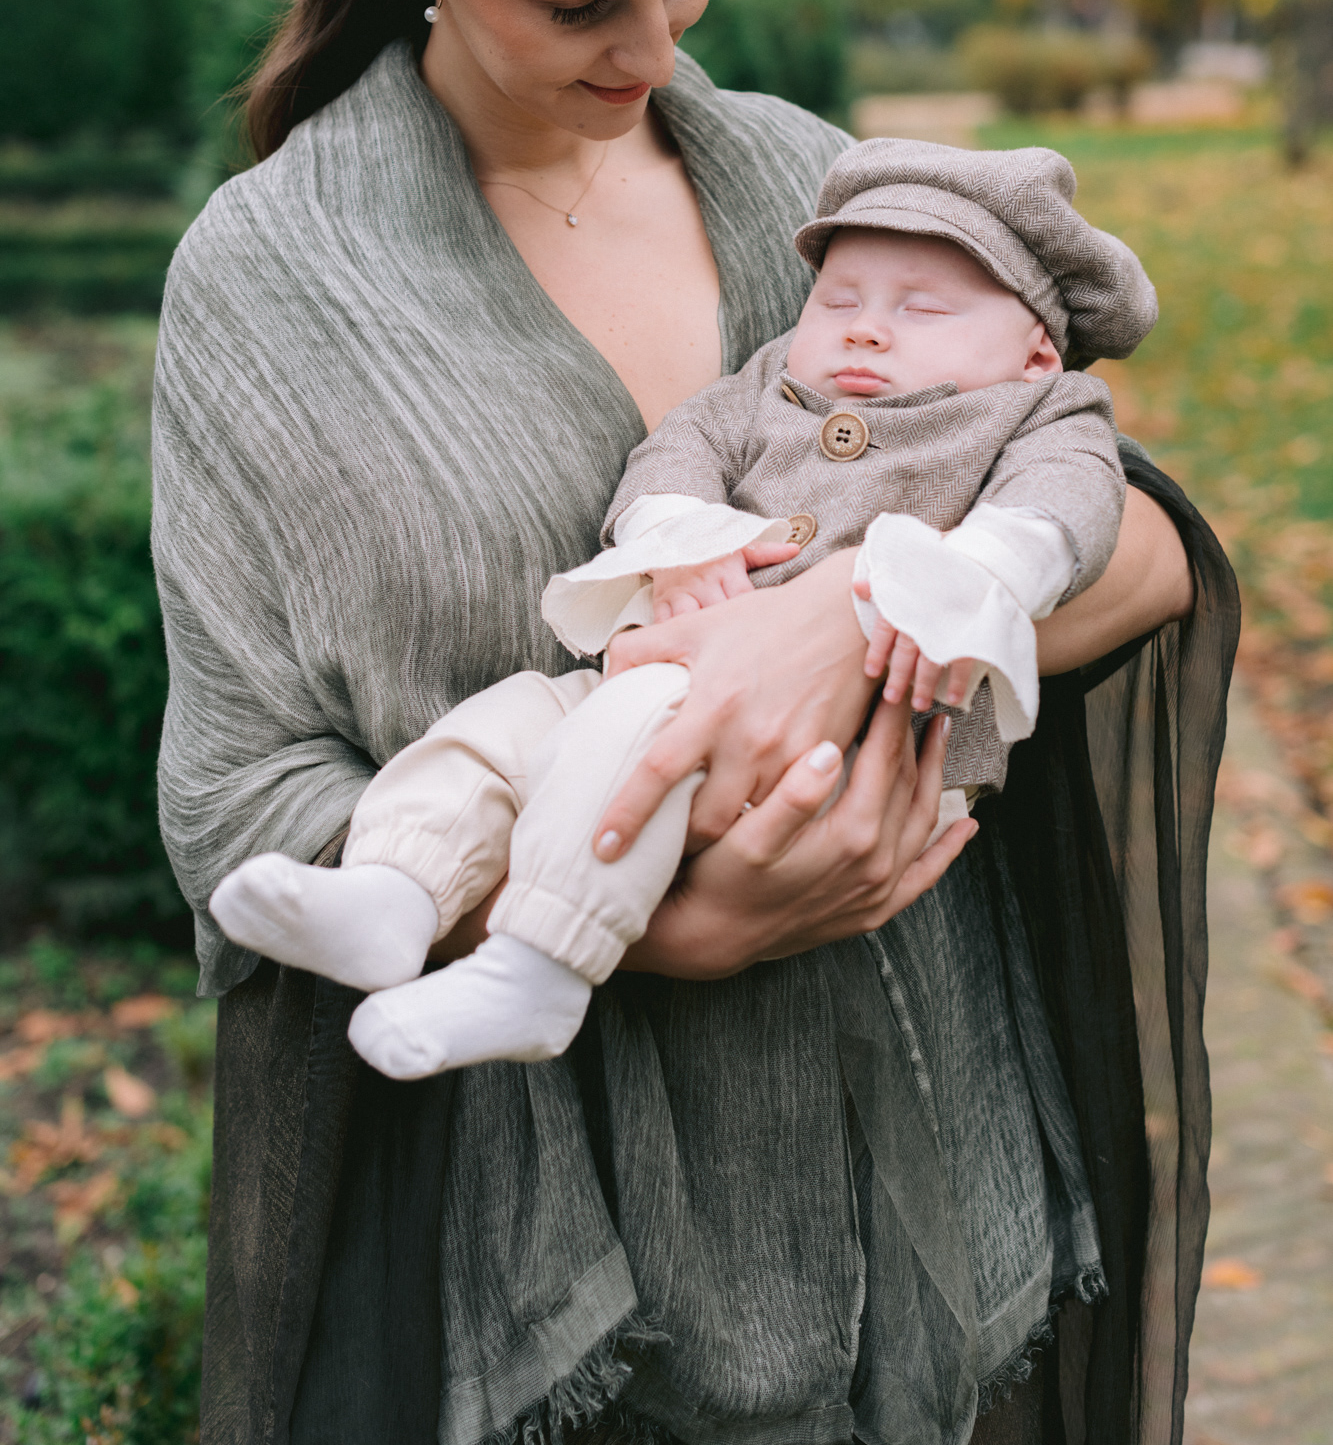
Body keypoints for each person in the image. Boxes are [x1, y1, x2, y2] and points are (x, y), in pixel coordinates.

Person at [151, 0, 1235, 1445]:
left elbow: (1136, 541)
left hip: (922, 1160)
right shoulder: (267, 285)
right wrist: (651, 930)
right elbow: (236, 801)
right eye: (585, 5)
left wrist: (841, 611)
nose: (654, 51)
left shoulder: (820, 197)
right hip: (547, 1238)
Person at [205, 137, 1159, 1088]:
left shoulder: (1045, 413)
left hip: (857, 747)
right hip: (672, 673)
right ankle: (398, 887)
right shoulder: (770, 383)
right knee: (512, 724)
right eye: (838, 301)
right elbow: (680, 447)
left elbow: (1065, 511)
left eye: (922, 309)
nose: (866, 331)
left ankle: (539, 964)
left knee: (634, 729)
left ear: (1036, 352)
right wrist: (683, 536)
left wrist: (950, 579)